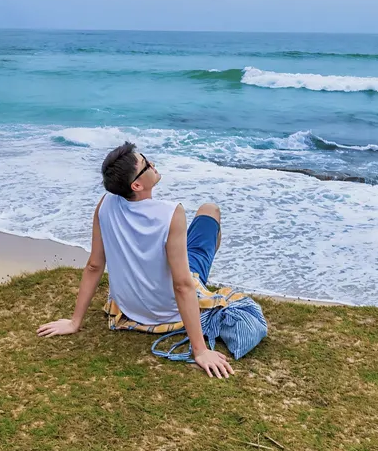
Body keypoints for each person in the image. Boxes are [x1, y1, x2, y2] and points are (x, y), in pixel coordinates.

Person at [36, 142, 235, 378]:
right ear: (137, 185)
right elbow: (182, 285)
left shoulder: (105, 203)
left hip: (131, 308)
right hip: (168, 309)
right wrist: (200, 351)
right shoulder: (171, 212)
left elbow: (94, 265)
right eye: (146, 164)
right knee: (210, 210)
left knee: (180, 248)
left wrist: (74, 322)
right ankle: (202, 285)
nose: (152, 164)